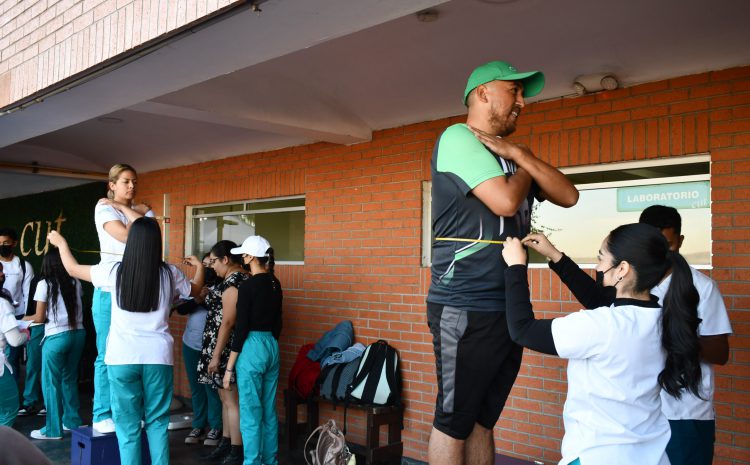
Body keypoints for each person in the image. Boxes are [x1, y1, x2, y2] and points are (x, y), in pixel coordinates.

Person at [426, 60, 579, 465]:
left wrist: (520, 155)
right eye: (514, 91)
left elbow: (568, 195)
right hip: (465, 306)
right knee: (452, 421)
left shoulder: (510, 157)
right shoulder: (457, 137)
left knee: (482, 422)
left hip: (508, 307)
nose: (522, 102)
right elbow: (507, 201)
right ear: (483, 93)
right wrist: (525, 159)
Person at [504, 223, 703, 465]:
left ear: (622, 269)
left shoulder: (600, 326)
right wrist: (555, 256)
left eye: (601, 258)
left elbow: (522, 330)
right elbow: (599, 300)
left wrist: (515, 267)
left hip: (597, 456)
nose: (597, 267)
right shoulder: (665, 320)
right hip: (652, 457)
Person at [48, 218, 204, 465]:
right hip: (157, 358)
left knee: (127, 426)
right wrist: (199, 266)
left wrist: (61, 243)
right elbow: (195, 290)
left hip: (121, 358)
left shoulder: (114, 271)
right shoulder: (170, 273)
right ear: (156, 242)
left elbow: (73, 269)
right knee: (157, 423)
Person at [639, 205, 731, 465]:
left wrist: (677, 334)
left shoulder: (702, 287)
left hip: (685, 413)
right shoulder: (629, 283)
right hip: (639, 408)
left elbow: (721, 353)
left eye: (667, 245)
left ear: (679, 242)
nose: (661, 253)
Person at [91, 163, 154, 434]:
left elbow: (150, 228)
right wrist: (137, 211)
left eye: (134, 182)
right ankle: (101, 414)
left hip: (136, 289)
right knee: (106, 355)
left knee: (132, 354)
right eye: (126, 181)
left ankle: (127, 413)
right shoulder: (103, 208)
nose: (132, 186)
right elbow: (131, 236)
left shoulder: (131, 209)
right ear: (112, 185)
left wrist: (130, 209)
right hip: (108, 290)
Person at [224, 235, 282, 465]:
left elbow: (242, 328)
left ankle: (252, 461)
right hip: (271, 346)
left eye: (244, 254)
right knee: (269, 410)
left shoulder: (247, 286)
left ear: (249, 257)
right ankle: (270, 461)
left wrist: (229, 368)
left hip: (252, 347)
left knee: (250, 413)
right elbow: (279, 322)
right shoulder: (275, 283)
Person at [24, 249, 85, 440]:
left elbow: (40, 317)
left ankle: (53, 429)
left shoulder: (44, 284)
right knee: (69, 378)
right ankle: (72, 421)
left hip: (56, 337)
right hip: (78, 335)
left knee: (50, 383)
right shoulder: (76, 282)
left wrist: (20, 319)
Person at [196, 240, 248, 464]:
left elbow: (227, 322)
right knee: (224, 398)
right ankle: (226, 443)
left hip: (225, 348)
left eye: (214, 261)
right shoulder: (228, 280)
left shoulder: (235, 282)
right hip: (218, 345)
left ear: (226, 260)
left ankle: (236, 450)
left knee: (231, 400)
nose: (212, 266)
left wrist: (216, 356)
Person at [178, 254, 223, 446]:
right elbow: (180, 309)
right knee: (196, 387)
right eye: (203, 266)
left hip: (211, 347)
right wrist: (198, 297)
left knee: (211, 387)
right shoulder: (193, 285)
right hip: (191, 343)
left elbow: (220, 310)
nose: (206, 269)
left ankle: (216, 427)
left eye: (209, 265)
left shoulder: (223, 286)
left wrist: (205, 297)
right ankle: (198, 424)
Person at [0, 228, 35, 391]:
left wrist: (26, 319)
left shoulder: (23, 265)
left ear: (14, 243)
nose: (2, 246)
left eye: (6, 243)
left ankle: (15, 396)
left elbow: (28, 293)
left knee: (12, 358)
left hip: (16, 317)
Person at [0, 262, 28, 426]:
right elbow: (15, 340)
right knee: (8, 410)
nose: (2, 275)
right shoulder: (2, 304)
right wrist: (26, 334)